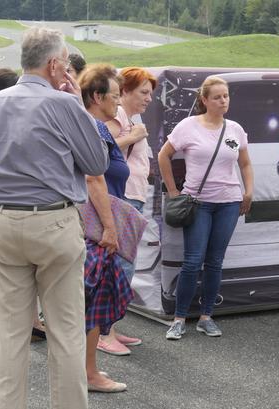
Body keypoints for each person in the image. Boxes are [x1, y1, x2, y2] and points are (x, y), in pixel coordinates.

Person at [0, 26, 108, 409]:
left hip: (3, 221)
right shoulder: (64, 104)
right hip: (54, 221)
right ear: (56, 64)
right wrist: (77, 100)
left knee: (11, 337)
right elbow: (96, 161)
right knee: (65, 334)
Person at [158, 75, 254, 340]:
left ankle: (206, 317)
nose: (223, 101)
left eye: (226, 96)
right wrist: (174, 191)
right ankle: (179, 319)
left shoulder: (234, 130)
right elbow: (163, 155)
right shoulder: (188, 126)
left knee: (214, 262)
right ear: (204, 100)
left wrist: (248, 191)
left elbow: (244, 163)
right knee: (192, 261)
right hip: (197, 203)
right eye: (217, 97)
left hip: (229, 202)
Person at [0, 67, 48, 350]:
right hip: (4, 206)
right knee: (5, 269)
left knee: (18, 270)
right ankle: (2, 328)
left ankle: (26, 323)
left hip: (0, 206)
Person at [96, 66, 157, 356]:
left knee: (124, 265)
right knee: (118, 267)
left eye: (150, 93)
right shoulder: (118, 118)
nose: (148, 98)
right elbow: (103, 151)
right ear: (126, 91)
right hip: (122, 198)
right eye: (143, 92)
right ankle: (103, 332)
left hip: (133, 196)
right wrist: (133, 137)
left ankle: (110, 328)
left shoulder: (132, 118)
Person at [78, 63, 132, 392]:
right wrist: (110, 230)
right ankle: (88, 373)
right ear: (97, 97)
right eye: (114, 97)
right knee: (92, 302)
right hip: (96, 227)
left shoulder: (87, 124)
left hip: (90, 224)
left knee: (83, 303)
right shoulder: (96, 128)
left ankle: (83, 370)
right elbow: (93, 178)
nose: (118, 103)